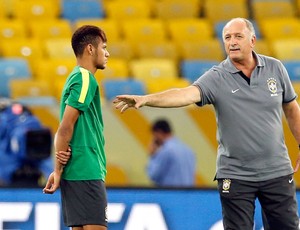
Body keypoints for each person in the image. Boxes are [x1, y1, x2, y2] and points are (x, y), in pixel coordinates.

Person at [113, 18, 300, 230]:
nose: (232, 42)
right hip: (236, 175)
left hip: (277, 171)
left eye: (238, 36)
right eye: (227, 38)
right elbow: (184, 94)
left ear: (253, 40)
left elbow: (291, 107)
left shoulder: (275, 68)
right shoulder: (217, 77)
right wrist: (146, 99)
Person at [43, 25, 110, 230]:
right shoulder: (85, 78)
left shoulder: (75, 77)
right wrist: (57, 169)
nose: (107, 53)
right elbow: (65, 127)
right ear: (90, 49)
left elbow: (64, 129)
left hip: (76, 171)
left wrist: (59, 170)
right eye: (104, 47)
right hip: (86, 170)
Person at [147, 118, 195, 187]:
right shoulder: (188, 150)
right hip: (188, 194)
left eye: (154, 135)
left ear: (159, 132)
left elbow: (153, 175)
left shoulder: (165, 151)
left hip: (170, 194)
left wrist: (152, 156)